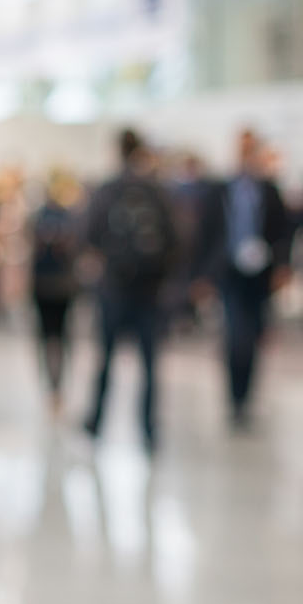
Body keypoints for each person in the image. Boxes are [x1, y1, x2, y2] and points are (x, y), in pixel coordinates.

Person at [82, 129, 181, 450]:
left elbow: (86, 233)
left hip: (114, 288)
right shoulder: (156, 190)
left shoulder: (108, 189)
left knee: (105, 358)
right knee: (150, 364)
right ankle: (149, 430)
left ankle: (96, 422)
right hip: (149, 290)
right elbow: (177, 239)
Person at [193, 129, 291, 429]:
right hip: (229, 272)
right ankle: (234, 399)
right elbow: (205, 234)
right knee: (236, 336)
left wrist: (282, 267)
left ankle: (246, 398)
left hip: (260, 275)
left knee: (255, 336)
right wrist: (201, 276)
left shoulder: (269, 190)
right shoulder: (219, 190)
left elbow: (283, 232)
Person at [30, 169, 85, 413]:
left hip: (55, 285)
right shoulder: (61, 217)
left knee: (52, 336)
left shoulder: (53, 216)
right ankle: (53, 385)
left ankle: (55, 385)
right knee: (54, 336)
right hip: (51, 284)